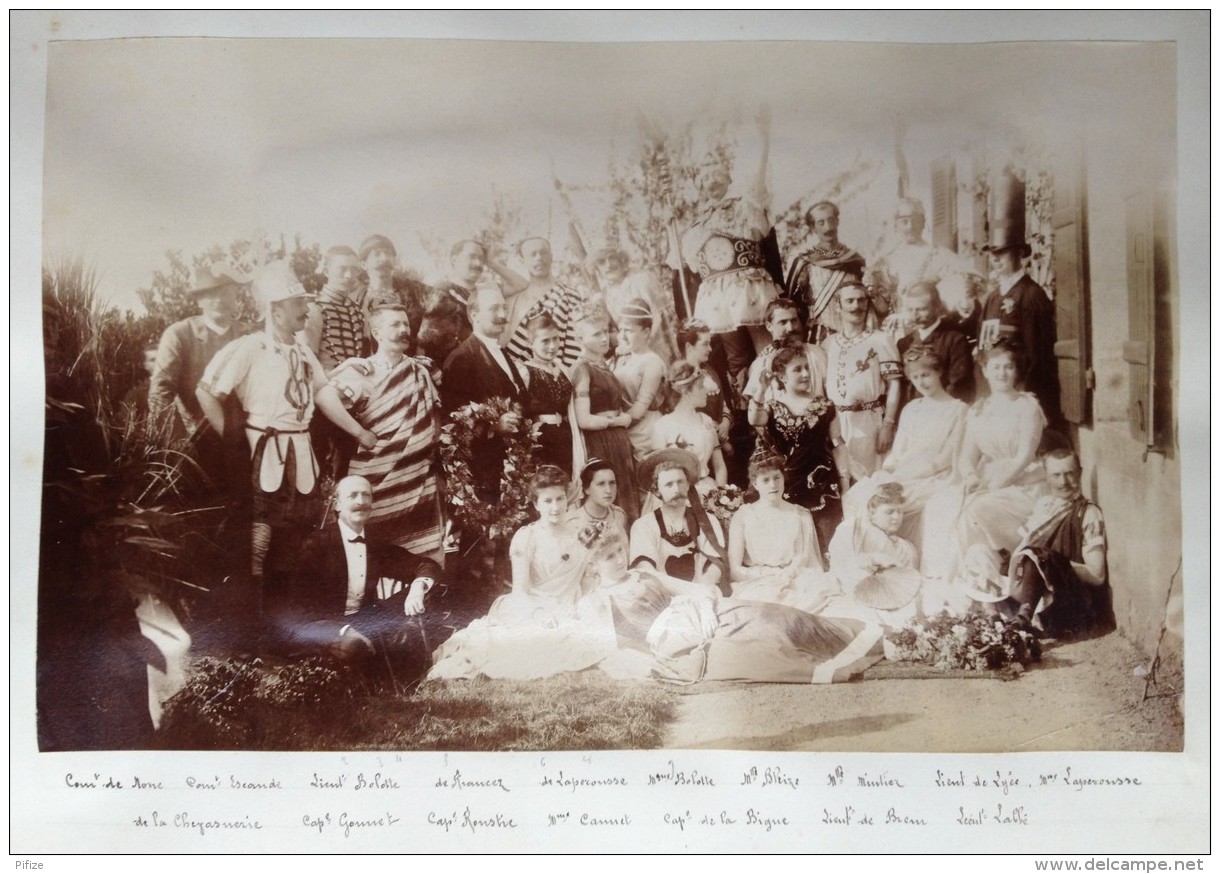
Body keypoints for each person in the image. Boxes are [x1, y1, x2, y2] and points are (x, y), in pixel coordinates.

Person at [195, 260, 340, 607]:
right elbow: (207, 392)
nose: (306, 310)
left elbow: (322, 391)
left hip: (300, 454)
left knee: (292, 539)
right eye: (298, 304)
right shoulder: (250, 347)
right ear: (276, 311)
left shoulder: (304, 350)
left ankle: (280, 626)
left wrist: (359, 426)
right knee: (257, 542)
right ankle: (249, 629)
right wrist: (233, 440)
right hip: (263, 453)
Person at [427, 466, 622, 680]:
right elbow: (520, 591)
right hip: (530, 607)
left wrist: (583, 608)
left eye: (560, 499)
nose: (556, 507)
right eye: (548, 501)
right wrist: (540, 615)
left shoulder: (582, 535)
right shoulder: (527, 537)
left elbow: (585, 582)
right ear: (537, 504)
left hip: (569, 606)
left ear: (568, 499)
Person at [278, 475, 441, 689]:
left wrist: (417, 588)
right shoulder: (316, 545)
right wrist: (342, 630)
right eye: (352, 495)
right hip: (319, 623)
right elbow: (299, 609)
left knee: (411, 626)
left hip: (363, 618)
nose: (360, 501)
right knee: (355, 647)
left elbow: (424, 564)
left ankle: (396, 684)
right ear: (337, 504)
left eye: (366, 495)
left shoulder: (374, 543)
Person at [313, 303, 444, 560]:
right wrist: (360, 433)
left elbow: (434, 414)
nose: (403, 330)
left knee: (424, 556)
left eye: (405, 324)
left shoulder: (420, 370)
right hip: (377, 480)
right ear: (376, 332)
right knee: (375, 554)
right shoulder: (363, 370)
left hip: (417, 480)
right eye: (395, 324)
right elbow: (324, 397)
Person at [677, 107, 782, 384]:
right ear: (699, 184)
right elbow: (685, 262)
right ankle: (746, 413)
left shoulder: (743, 207)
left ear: (727, 178)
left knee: (767, 347)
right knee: (735, 357)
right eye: (706, 177)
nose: (712, 181)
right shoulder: (695, 226)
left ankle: (775, 400)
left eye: (717, 175)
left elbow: (759, 184)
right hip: (717, 296)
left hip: (749, 287)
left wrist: (764, 141)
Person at [934, 338, 1047, 579]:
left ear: (1017, 370)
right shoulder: (979, 409)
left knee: (974, 512)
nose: (1002, 373)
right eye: (995, 367)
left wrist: (994, 486)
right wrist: (972, 477)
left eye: (1008, 366)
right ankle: (962, 580)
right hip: (988, 480)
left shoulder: (1027, 406)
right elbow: (966, 458)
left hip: (1024, 484)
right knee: (943, 506)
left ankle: (986, 581)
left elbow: (1025, 456)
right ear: (985, 371)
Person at [749, 337, 851, 549]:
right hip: (785, 484)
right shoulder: (772, 407)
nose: (805, 374)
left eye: (807, 368)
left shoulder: (824, 405)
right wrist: (761, 389)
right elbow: (754, 420)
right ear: (781, 376)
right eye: (797, 370)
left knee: (826, 543)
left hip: (820, 482)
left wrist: (845, 485)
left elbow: (838, 445)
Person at [877, 344, 969, 569]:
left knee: (898, 502)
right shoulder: (911, 408)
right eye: (916, 377)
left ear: (939, 372)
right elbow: (898, 451)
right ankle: (880, 563)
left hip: (936, 476)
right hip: (904, 472)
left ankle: (913, 565)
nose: (922, 382)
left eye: (926, 375)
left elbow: (948, 456)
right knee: (866, 497)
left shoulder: (958, 409)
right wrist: (888, 472)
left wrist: (908, 474)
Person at [1005, 449, 1113, 638]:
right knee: (979, 552)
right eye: (1056, 475)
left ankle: (1023, 618)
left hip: (1061, 595)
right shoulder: (1044, 505)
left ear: (1079, 472)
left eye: (1069, 473)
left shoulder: (1087, 513)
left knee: (1037, 556)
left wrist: (1052, 564)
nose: (1063, 482)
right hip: (1030, 584)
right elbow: (1025, 544)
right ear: (1047, 477)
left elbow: (1097, 575)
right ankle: (994, 620)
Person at [978, 184, 1061, 427]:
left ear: (1018, 254)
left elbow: (1038, 357)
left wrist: (1020, 395)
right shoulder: (992, 298)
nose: (996, 259)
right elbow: (984, 350)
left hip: (1022, 395)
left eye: (1002, 252)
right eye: (992, 253)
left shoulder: (1031, 295)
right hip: (995, 391)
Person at [441, 284, 529, 504]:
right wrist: (494, 425)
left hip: (509, 465)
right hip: (481, 469)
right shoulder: (461, 358)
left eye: (503, 308)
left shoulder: (502, 352)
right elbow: (453, 421)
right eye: (494, 309)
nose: (502, 315)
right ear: (474, 315)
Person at [149, 262, 251, 446]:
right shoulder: (180, 334)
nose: (219, 300)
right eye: (211, 294)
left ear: (236, 296)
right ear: (199, 300)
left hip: (249, 439)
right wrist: (178, 442)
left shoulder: (249, 334)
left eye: (226, 293)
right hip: (200, 441)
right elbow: (160, 391)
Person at [727, 449, 835, 612]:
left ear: (783, 478)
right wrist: (767, 577)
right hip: (756, 584)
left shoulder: (800, 515)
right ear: (755, 484)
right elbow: (735, 570)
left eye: (777, 477)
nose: (773, 485)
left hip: (795, 581)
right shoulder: (743, 516)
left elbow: (805, 559)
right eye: (766, 480)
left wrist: (787, 576)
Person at [821, 281, 903, 480]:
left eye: (861, 300)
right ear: (838, 307)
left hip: (868, 421)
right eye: (849, 301)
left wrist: (888, 424)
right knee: (842, 479)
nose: (856, 306)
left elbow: (894, 383)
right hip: (836, 423)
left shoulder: (881, 340)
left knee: (870, 479)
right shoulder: (827, 343)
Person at [570, 309, 640, 520]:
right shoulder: (582, 369)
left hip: (617, 440)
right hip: (600, 442)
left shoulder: (604, 366)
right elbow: (584, 419)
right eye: (596, 334)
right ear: (580, 338)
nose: (604, 338)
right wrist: (619, 421)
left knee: (627, 494)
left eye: (605, 332)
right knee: (609, 497)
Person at [826, 480, 924, 627]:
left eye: (900, 512)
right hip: (855, 591)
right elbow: (840, 563)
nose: (896, 517)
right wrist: (869, 559)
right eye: (889, 511)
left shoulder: (906, 547)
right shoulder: (853, 528)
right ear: (872, 513)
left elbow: (910, 583)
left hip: (896, 600)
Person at [867, 197, 969, 334]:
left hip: (930, 328)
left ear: (923, 223)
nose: (910, 227)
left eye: (915, 221)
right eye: (904, 222)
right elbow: (881, 306)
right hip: (896, 330)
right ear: (896, 225)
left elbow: (958, 291)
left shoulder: (940, 256)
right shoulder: (886, 259)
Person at [629, 449, 724, 589]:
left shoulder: (707, 521)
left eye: (680, 482)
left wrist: (701, 589)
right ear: (656, 490)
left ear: (688, 485)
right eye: (669, 484)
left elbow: (716, 563)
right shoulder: (643, 526)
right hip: (662, 593)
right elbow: (645, 569)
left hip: (702, 592)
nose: (676, 489)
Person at [783, 200, 869, 340]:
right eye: (821, 223)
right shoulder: (804, 262)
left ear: (837, 221)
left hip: (855, 333)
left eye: (831, 220)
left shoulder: (855, 260)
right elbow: (790, 305)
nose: (828, 228)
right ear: (813, 228)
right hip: (819, 336)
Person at [496, 237, 585, 370]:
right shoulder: (513, 300)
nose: (539, 258)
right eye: (532, 254)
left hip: (558, 375)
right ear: (522, 260)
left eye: (543, 252)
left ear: (551, 256)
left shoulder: (569, 295)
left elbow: (577, 346)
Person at [590, 247, 679, 364]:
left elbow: (659, 318)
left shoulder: (642, 279)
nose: (608, 265)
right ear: (596, 268)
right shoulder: (606, 293)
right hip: (635, 351)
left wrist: (637, 346)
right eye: (601, 262)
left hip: (659, 345)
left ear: (621, 259)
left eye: (612, 258)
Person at [651, 361, 727, 491]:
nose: (706, 391)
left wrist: (721, 495)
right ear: (685, 392)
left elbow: (719, 466)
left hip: (709, 490)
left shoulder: (706, 421)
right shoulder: (662, 427)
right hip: (677, 492)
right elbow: (659, 474)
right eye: (701, 387)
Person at [896, 281, 975, 407]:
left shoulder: (955, 340)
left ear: (937, 307)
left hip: (944, 412)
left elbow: (959, 385)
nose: (915, 316)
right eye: (910, 310)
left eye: (921, 309)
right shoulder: (904, 343)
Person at [742, 298, 829, 409]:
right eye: (783, 322)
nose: (791, 328)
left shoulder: (816, 353)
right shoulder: (760, 364)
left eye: (794, 320)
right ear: (769, 326)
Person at [412, 238, 485, 367]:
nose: (478, 263)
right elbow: (425, 340)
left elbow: (520, 285)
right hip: (449, 368)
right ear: (454, 260)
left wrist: (492, 262)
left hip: (478, 365)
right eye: (472, 257)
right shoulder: (442, 290)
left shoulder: (484, 293)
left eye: (481, 259)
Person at [519, 312, 576, 474]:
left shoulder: (564, 370)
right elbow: (519, 409)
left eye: (556, 339)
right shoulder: (525, 372)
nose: (552, 346)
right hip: (542, 439)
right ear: (530, 343)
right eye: (545, 341)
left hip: (567, 436)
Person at [612, 298, 668, 459]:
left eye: (628, 331)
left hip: (646, 432)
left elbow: (639, 409)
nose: (622, 336)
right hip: (625, 427)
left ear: (646, 332)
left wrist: (609, 423)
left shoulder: (653, 362)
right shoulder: (623, 358)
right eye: (620, 330)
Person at [302, 245, 368, 374]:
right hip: (324, 386)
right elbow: (307, 365)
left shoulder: (358, 312)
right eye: (342, 269)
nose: (349, 275)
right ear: (326, 272)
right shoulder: (315, 310)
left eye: (354, 270)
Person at [568, 457, 630, 545]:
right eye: (601, 484)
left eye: (612, 483)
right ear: (586, 489)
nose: (608, 490)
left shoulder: (619, 515)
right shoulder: (573, 522)